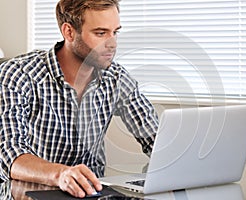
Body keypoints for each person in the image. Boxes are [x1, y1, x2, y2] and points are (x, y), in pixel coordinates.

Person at [0, 0, 158, 198]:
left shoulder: (115, 77)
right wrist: (61, 174)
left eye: (115, 32)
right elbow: (9, 155)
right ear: (69, 32)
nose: (112, 43)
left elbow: (155, 139)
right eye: (100, 33)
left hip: (94, 194)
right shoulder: (18, 75)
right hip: (30, 194)